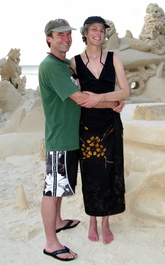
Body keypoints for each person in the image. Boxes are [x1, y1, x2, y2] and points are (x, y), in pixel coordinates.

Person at [39, 18, 122, 262]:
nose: (65, 39)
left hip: (71, 135)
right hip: (60, 137)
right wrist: (114, 103)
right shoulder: (52, 66)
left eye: (68, 35)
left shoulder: (63, 64)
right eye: (59, 35)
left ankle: (59, 221)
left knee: (60, 185)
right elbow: (81, 98)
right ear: (49, 38)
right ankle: (51, 242)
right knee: (52, 189)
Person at [70, 16, 130, 245]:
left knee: (110, 172)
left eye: (102, 30)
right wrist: (109, 101)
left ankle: (105, 222)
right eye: (93, 29)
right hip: (86, 125)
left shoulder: (114, 58)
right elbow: (76, 97)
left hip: (110, 125)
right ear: (85, 33)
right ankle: (92, 220)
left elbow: (125, 92)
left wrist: (102, 98)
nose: (98, 33)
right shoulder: (74, 63)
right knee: (90, 173)